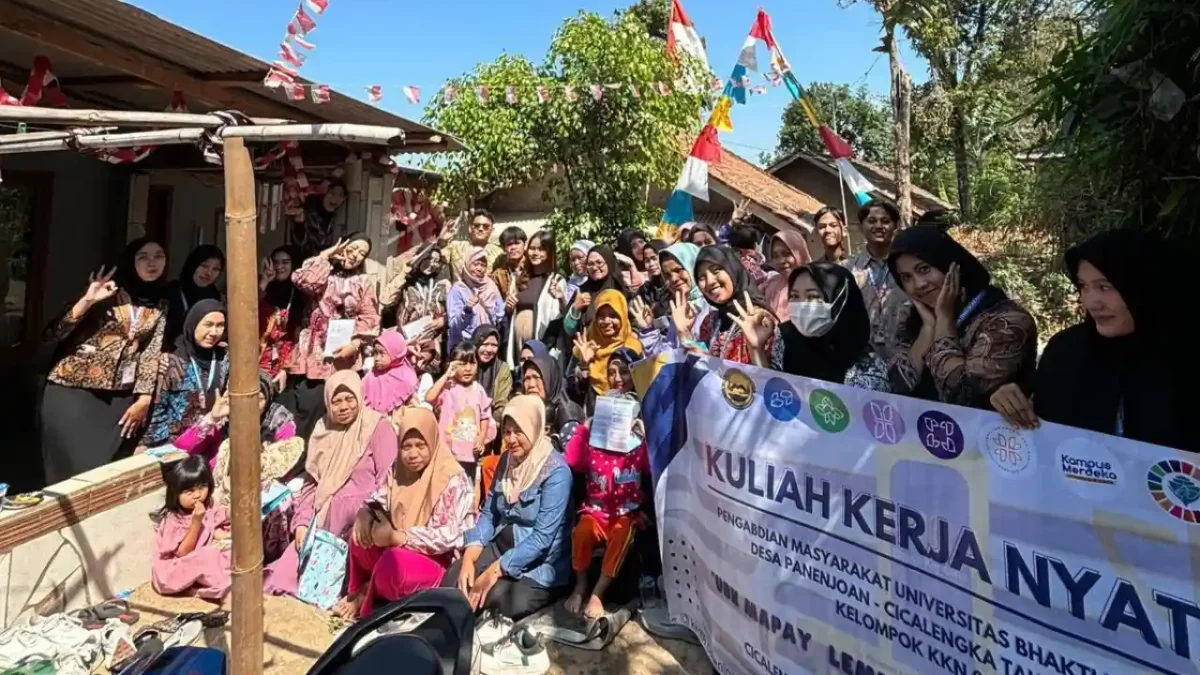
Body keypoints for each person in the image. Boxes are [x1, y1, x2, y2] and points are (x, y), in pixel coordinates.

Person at [990, 230, 1193, 450]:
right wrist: (1009, 400)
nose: (1091, 303)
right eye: (1084, 286)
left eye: (1105, 287)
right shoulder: (1067, 351)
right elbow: (1041, 440)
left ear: (1146, 288)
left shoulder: (1186, 358)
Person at [41, 238, 169, 484]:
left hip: (118, 398)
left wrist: (144, 398)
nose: (152, 263)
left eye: (158, 256)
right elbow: (52, 334)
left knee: (100, 474)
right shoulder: (105, 291)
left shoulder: (161, 303)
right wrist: (88, 300)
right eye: (143, 256)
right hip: (73, 391)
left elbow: (151, 351)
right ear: (131, 260)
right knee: (68, 474)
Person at [265, 371, 398, 597]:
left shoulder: (377, 427)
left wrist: (369, 513)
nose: (343, 407)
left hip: (359, 523)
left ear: (359, 396)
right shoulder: (323, 429)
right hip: (322, 520)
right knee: (281, 580)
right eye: (336, 401)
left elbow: (389, 480)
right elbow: (311, 483)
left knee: (331, 587)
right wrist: (302, 522)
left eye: (349, 399)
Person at [443, 395, 572, 620]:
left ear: (533, 428)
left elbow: (542, 539)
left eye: (518, 431)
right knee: (454, 580)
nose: (511, 439)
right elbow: (489, 514)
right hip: (502, 543)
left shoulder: (556, 473)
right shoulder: (506, 461)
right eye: (506, 431)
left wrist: (494, 571)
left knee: (496, 597)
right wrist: (468, 559)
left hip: (540, 562)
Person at [338, 408, 476, 619]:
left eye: (421, 446)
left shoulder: (452, 477)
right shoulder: (398, 469)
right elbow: (379, 499)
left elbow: (451, 537)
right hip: (394, 544)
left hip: (435, 560)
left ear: (432, 440)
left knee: (393, 565)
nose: (412, 454)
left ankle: (368, 594)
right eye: (406, 446)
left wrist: (401, 538)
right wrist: (365, 512)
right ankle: (360, 588)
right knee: (359, 537)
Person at [886, 225, 1037, 409]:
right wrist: (927, 329)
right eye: (906, 277)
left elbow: (962, 396)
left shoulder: (1007, 321)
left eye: (924, 269)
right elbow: (896, 387)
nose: (919, 284)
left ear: (950, 264)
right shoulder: (914, 319)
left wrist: (944, 322)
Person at [564, 350, 649, 619]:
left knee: (622, 534)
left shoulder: (642, 421)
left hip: (626, 512)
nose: (617, 378)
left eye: (623, 371)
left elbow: (651, 470)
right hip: (595, 509)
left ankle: (599, 593)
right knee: (581, 533)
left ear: (634, 374)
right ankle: (580, 586)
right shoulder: (597, 418)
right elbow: (573, 461)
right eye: (611, 372)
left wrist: (646, 440)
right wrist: (585, 428)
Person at [290, 234, 382, 438]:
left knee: (341, 411)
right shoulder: (325, 275)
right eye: (354, 248)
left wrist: (356, 343)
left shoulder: (364, 282)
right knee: (310, 407)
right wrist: (326, 255)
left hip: (345, 352)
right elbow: (301, 279)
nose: (356, 255)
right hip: (316, 351)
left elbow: (370, 317)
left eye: (362, 253)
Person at [767, 263, 889, 390]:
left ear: (840, 302)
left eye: (813, 296)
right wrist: (756, 348)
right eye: (795, 296)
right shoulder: (785, 337)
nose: (802, 305)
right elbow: (769, 392)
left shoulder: (866, 364)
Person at [143, 300, 229, 454]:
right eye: (208, 324)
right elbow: (157, 409)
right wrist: (162, 449)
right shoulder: (173, 361)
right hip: (178, 447)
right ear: (193, 324)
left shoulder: (225, 358)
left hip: (214, 444)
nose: (214, 332)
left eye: (220, 325)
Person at [209, 371, 303, 509]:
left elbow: (280, 467)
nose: (251, 404)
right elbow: (184, 448)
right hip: (221, 488)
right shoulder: (225, 413)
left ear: (268, 399)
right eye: (246, 397)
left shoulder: (279, 421)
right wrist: (213, 418)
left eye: (259, 399)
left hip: (261, 491)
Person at [152, 455, 231, 602]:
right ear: (175, 494)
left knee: (231, 550)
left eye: (202, 487)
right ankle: (202, 591)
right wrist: (196, 522)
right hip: (172, 572)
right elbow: (183, 553)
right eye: (189, 492)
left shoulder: (208, 505)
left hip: (195, 563)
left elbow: (221, 517)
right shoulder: (174, 519)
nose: (197, 495)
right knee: (209, 555)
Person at [692, 247, 783, 368]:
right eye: (701, 277)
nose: (710, 281)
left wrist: (756, 349)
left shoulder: (759, 319)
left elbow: (774, 381)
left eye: (716, 270)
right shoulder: (710, 322)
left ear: (733, 270)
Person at [843, 200, 905, 360]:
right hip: (861, 359)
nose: (878, 226)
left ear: (895, 226)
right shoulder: (848, 269)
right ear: (861, 226)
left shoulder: (908, 267)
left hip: (904, 356)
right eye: (871, 221)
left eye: (885, 221)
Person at [426, 343, 496, 476]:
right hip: (448, 451)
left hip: (470, 452)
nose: (468, 369)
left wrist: (481, 438)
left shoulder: (478, 390)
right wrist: (447, 374)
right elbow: (429, 398)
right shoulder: (448, 388)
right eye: (462, 364)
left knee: (468, 487)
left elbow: (484, 416)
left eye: (472, 363)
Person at [571, 289, 643, 411]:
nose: (606, 321)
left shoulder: (634, 349)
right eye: (601, 316)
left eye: (613, 316)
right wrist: (583, 365)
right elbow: (574, 394)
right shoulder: (584, 348)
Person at [505, 230, 567, 368]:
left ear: (549, 252)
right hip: (518, 349)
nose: (535, 253)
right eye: (532, 248)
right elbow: (509, 315)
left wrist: (541, 349)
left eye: (541, 249)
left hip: (542, 349)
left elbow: (559, 319)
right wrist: (508, 308)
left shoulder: (556, 280)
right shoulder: (520, 279)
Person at [258, 245, 307, 384]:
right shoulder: (263, 286)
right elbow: (251, 308)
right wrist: (265, 280)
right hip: (260, 354)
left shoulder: (300, 293)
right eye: (275, 262)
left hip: (287, 359)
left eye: (285, 262)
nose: (279, 266)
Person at [381, 243, 450, 335]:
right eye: (428, 258)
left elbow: (453, 311)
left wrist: (443, 320)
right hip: (405, 337)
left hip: (431, 338)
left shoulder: (442, 284)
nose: (431, 264)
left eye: (436, 261)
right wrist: (405, 271)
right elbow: (385, 300)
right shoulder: (406, 281)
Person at [164, 245, 225, 347]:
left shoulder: (218, 299)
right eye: (204, 266)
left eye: (216, 269)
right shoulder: (172, 291)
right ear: (193, 264)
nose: (208, 273)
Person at [447, 247, 506, 353]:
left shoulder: (491, 286)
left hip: (488, 347)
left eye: (483, 265)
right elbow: (453, 324)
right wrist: (467, 310)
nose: (480, 268)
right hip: (466, 348)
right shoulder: (458, 289)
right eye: (475, 264)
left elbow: (500, 315)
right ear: (467, 265)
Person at [563, 246, 629, 336]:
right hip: (589, 347)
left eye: (599, 263)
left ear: (609, 262)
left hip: (618, 347)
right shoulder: (581, 291)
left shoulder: (620, 289)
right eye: (590, 264)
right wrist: (575, 309)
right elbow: (568, 331)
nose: (594, 267)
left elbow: (634, 322)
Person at [362, 330, 419, 418]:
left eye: (382, 353)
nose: (376, 358)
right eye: (375, 353)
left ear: (394, 352)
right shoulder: (371, 376)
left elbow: (413, 411)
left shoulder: (406, 378)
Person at [762, 230, 813, 321]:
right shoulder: (772, 283)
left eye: (787, 254)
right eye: (776, 256)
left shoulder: (813, 286)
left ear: (800, 253)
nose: (781, 261)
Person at [442, 210, 503, 283]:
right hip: (459, 292)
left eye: (485, 226)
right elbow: (436, 261)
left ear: (492, 230)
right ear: (470, 228)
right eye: (477, 225)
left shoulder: (499, 253)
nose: (480, 229)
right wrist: (442, 241)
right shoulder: (455, 247)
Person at [294, 181, 348, 260]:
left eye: (341, 195)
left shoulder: (335, 218)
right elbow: (300, 242)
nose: (336, 199)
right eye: (332, 193)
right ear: (324, 193)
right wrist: (299, 225)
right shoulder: (307, 211)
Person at [474, 326, 513, 423]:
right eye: (485, 344)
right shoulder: (467, 365)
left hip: (493, 423)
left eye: (494, 345)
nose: (489, 349)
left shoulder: (502, 368)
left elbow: (502, 403)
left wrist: (489, 423)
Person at [638, 240, 671, 320]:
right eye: (647, 260)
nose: (651, 264)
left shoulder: (674, 284)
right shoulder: (645, 290)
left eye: (654, 258)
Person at [492, 226, 528, 298]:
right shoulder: (498, 275)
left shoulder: (533, 268)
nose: (513, 247)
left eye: (517, 243)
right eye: (509, 244)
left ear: (525, 244)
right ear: (503, 248)